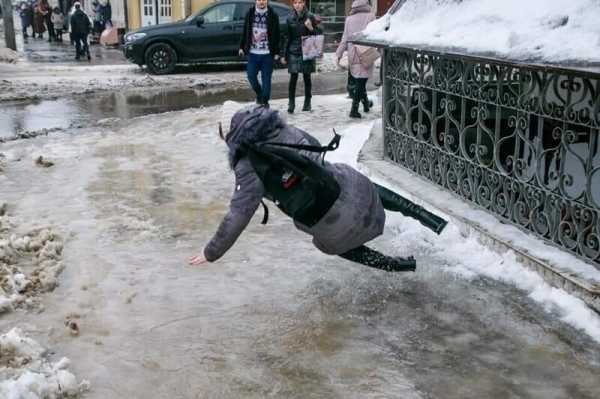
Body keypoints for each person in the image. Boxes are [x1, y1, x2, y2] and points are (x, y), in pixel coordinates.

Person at [189, 106, 447, 270]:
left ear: (231, 136)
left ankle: (396, 266)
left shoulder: (246, 166)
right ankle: (431, 219)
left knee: (331, 242)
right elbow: (316, 150)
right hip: (344, 189)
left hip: (324, 220)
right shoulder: (283, 128)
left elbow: (239, 213)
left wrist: (211, 252)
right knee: (358, 183)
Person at [336, 0, 376, 118]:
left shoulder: (349, 19)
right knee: (361, 82)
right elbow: (374, 35)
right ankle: (354, 109)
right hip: (366, 52)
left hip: (353, 54)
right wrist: (380, 51)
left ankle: (366, 104)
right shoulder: (371, 16)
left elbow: (345, 38)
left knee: (360, 81)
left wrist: (339, 54)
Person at [238, 0, 281, 108]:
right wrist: (241, 47)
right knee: (251, 76)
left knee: (266, 85)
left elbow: (277, 35)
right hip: (253, 54)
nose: (261, 2)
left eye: (263, 0)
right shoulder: (250, 13)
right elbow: (245, 31)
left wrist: (276, 52)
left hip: (267, 55)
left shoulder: (273, 15)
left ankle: (264, 103)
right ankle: (259, 95)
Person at [281, 0, 319, 114]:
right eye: (295, 2)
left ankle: (307, 102)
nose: (298, 5)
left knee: (307, 77)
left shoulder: (310, 16)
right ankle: (291, 103)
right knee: (293, 77)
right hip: (294, 50)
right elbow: (287, 38)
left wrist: (311, 27)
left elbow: (318, 34)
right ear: (293, 4)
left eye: (300, 2)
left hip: (307, 50)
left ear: (304, 4)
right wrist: (284, 54)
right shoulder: (289, 18)